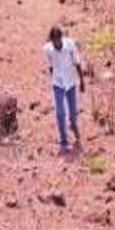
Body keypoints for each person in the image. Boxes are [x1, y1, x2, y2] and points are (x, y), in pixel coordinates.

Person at [43, 27, 85, 155]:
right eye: (54, 41)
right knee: (60, 113)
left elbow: (77, 63)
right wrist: (53, 79)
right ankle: (63, 141)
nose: (56, 44)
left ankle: (73, 125)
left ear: (61, 38)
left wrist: (82, 81)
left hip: (70, 82)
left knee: (72, 112)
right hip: (58, 83)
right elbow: (50, 66)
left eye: (58, 40)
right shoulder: (48, 49)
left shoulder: (70, 45)